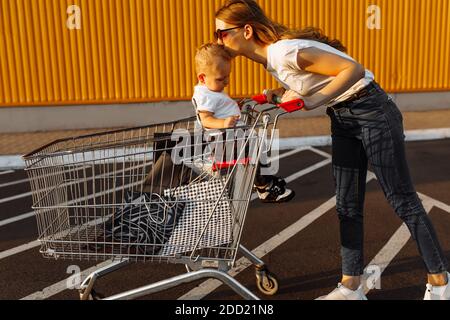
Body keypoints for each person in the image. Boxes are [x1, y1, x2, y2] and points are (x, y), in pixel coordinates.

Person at [214, 0, 449, 300]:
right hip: (342, 116)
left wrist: (312, 101)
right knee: (347, 205)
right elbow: (311, 79)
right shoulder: (273, 58)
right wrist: (277, 94)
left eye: (221, 33)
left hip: (371, 111)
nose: (217, 39)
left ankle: (441, 282)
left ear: (246, 30)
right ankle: (351, 287)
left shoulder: (283, 51)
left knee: (402, 200)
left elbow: (353, 69)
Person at [193, 43, 295, 204]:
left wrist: (234, 107)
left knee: (254, 145)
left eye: (227, 76)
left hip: (228, 139)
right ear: (202, 78)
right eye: (221, 78)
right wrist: (224, 122)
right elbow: (205, 119)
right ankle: (264, 186)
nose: (226, 81)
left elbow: (219, 107)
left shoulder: (211, 89)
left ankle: (262, 183)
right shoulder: (205, 95)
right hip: (221, 142)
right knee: (253, 147)